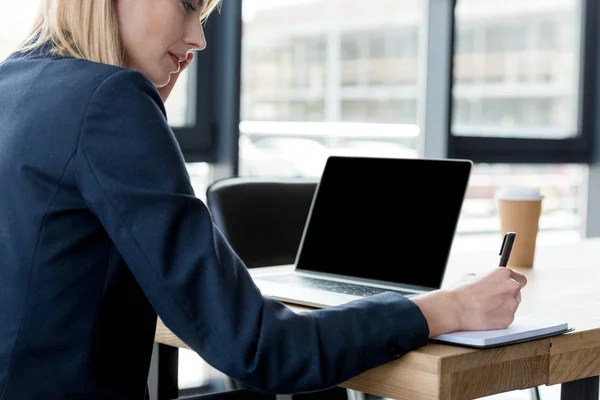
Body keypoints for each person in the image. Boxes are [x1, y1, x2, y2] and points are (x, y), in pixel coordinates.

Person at [0, 1, 527, 399]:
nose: (198, 38)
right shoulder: (108, 101)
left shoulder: (13, 83)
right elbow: (261, 349)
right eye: (187, 5)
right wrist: (448, 307)